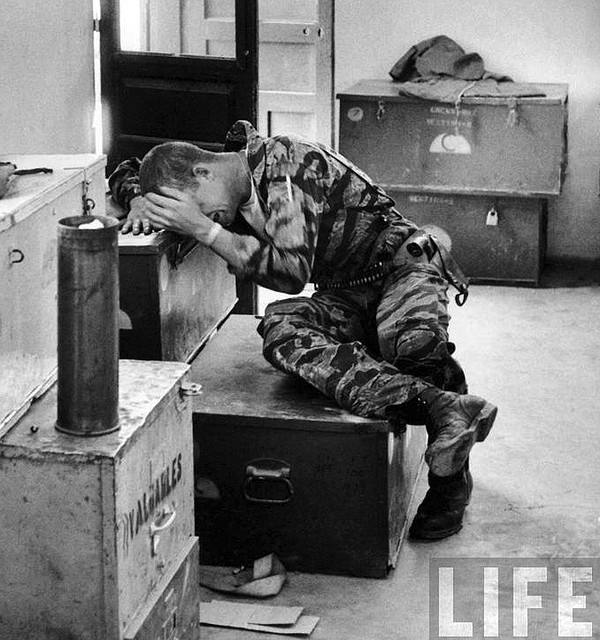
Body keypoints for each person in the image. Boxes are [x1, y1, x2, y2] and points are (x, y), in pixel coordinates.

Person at [108, 120, 497, 540]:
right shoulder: (221, 177)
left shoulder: (285, 162)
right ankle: (444, 409)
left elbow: (292, 273)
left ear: (203, 173)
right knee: (280, 327)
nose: (201, 220)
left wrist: (207, 230)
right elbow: (127, 166)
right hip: (345, 292)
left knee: (414, 343)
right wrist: (137, 201)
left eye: (197, 210)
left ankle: (449, 483)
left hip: (401, 268)